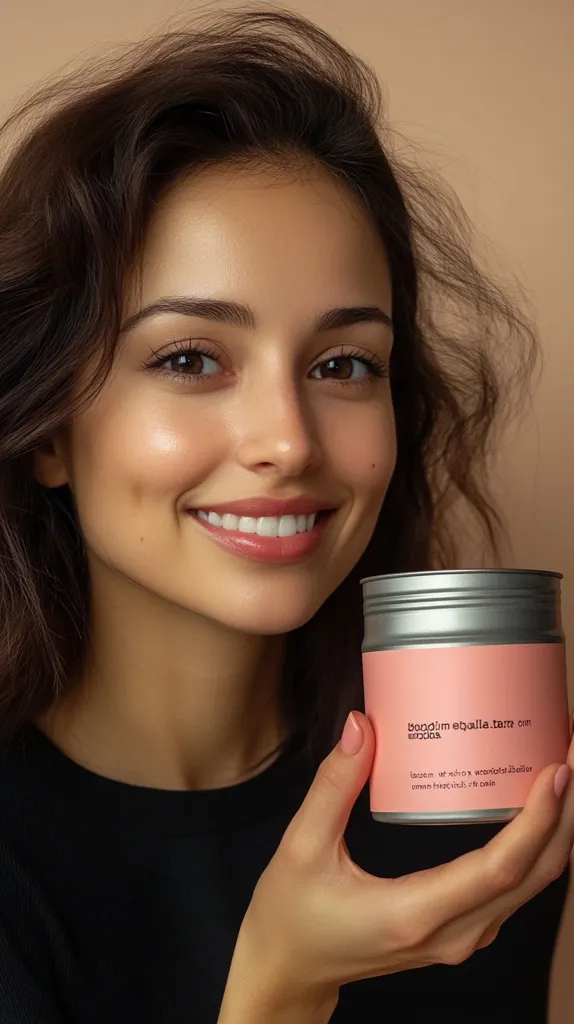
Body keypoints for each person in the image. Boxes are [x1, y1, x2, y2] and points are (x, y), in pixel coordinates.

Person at [0, 8, 571, 1024]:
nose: (289, 440)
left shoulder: (471, 799)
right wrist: (285, 984)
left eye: (342, 364)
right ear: (49, 430)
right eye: (189, 359)